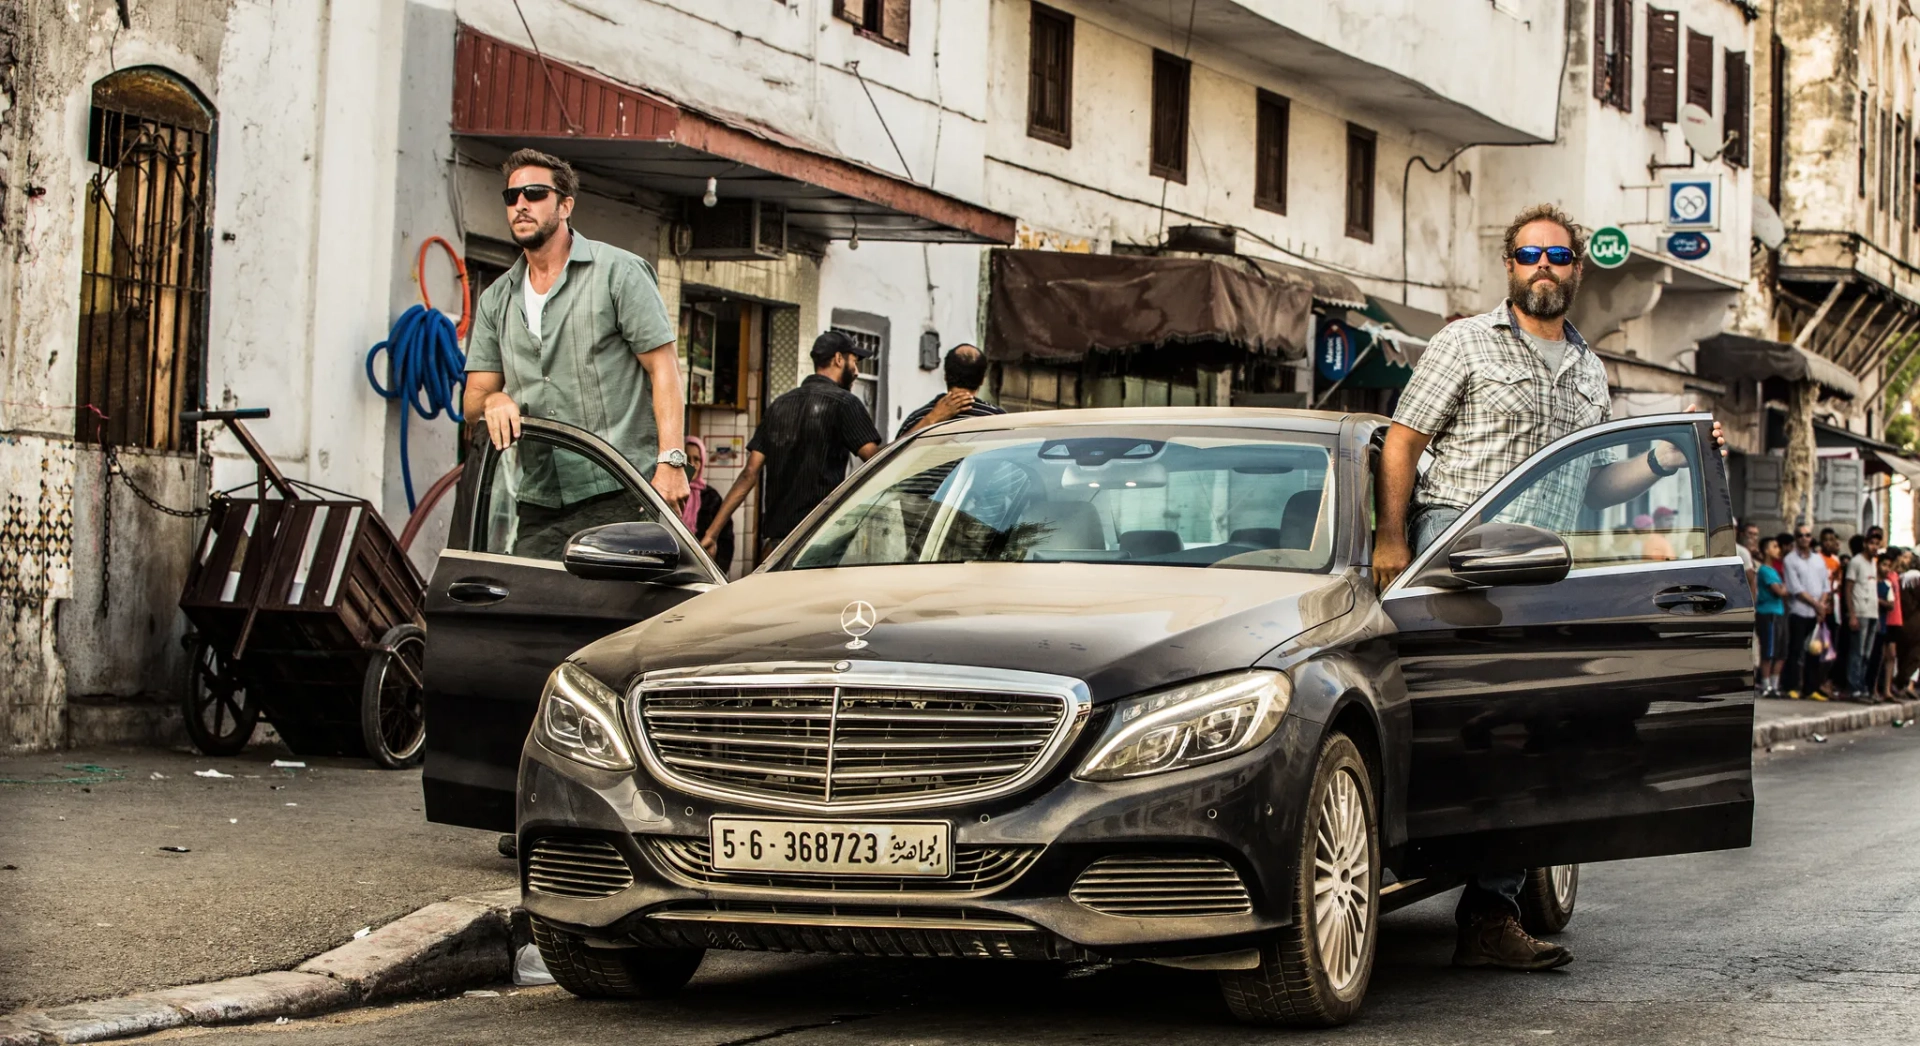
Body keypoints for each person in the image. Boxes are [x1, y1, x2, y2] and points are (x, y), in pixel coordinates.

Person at [1373, 203, 1723, 974]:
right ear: (1509, 265)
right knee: (1452, 728)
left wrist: (1663, 461)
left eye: (1558, 257)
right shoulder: (1463, 341)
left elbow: (1597, 490)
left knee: (1549, 738)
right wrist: (1393, 538)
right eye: (1530, 254)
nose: (1544, 267)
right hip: (1457, 560)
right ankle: (1391, 875)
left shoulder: (1591, 370)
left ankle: (1491, 915)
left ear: (1576, 269)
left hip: (1548, 575)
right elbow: (1404, 441)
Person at [462, 149, 688, 556]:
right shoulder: (496, 299)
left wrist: (671, 462)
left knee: (618, 616)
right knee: (529, 607)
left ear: (566, 205)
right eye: (511, 198)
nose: (521, 205)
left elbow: (664, 369)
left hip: (623, 489)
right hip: (540, 498)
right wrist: (494, 399)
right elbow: (473, 401)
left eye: (534, 194)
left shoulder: (618, 273)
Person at [700, 332, 883, 559]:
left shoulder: (779, 405)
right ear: (838, 359)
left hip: (778, 546)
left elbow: (749, 473)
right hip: (820, 539)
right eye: (854, 361)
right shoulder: (845, 403)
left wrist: (712, 533)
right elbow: (878, 462)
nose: (856, 371)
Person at [896, 344, 1006, 440]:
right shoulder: (998, 420)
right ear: (982, 380)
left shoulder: (916, 419)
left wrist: (930, 420)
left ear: (945, 376)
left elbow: (894, 455)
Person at [1782, 525, 1833, 700]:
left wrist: (1822, 605)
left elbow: (1826, 585)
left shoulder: (1819, 560)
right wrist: (1817, 605)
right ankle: (1791, 686)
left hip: (1816, 613)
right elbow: (1795, 588)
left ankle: (1811, 688)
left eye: (1807, 535)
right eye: (1800, 535)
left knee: (1815, 652)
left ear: (1811, 538)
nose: (1804, 538)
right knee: (1795, 650)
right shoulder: (1790, 560)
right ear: (1796, 538)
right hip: (1799, 611)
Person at [681, 436, 734, 574]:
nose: (692, 464)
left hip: (703, 570)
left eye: (696, 459)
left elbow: (725, 538)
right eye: (687, 459)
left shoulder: (711, 497)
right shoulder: (672, 494)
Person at [1843, 532, 1882, 701]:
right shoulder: (1856, 562)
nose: (1874, 547)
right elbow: (1848, 588)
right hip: (1860, 612)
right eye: (1872, 543)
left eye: (1877, 544)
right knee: (1856, 652)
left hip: (1872, 612)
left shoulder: (1873, 563)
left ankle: (1862, 685)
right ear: (1865, 544)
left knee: (1867, 653)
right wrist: (1852, 614)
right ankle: (1853, 688)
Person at [1754, 536, 1786, 697]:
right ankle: (1766, 685)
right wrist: (1785, 587)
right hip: (1768, 613)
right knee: (1769, 651)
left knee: (1780, 652)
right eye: (1774, 546)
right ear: (1766, 550)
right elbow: (1779, 591)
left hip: (1778, 612)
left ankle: (1775, 685)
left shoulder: (1774, 570)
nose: (1778, 549)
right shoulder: (1765, 571)